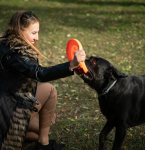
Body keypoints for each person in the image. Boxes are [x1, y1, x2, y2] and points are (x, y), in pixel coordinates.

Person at [0, 11, 86, 150]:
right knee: (49, 91)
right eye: (33, 33)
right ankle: (43, 145)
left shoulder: (5, 43)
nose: (37, 37)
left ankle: (34, 136)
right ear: (20, 30)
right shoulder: (16, 54)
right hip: (9, 111)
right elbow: (41, 73)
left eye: (37, 32)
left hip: (11, 101)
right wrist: (71, 64)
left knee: (40, 129)